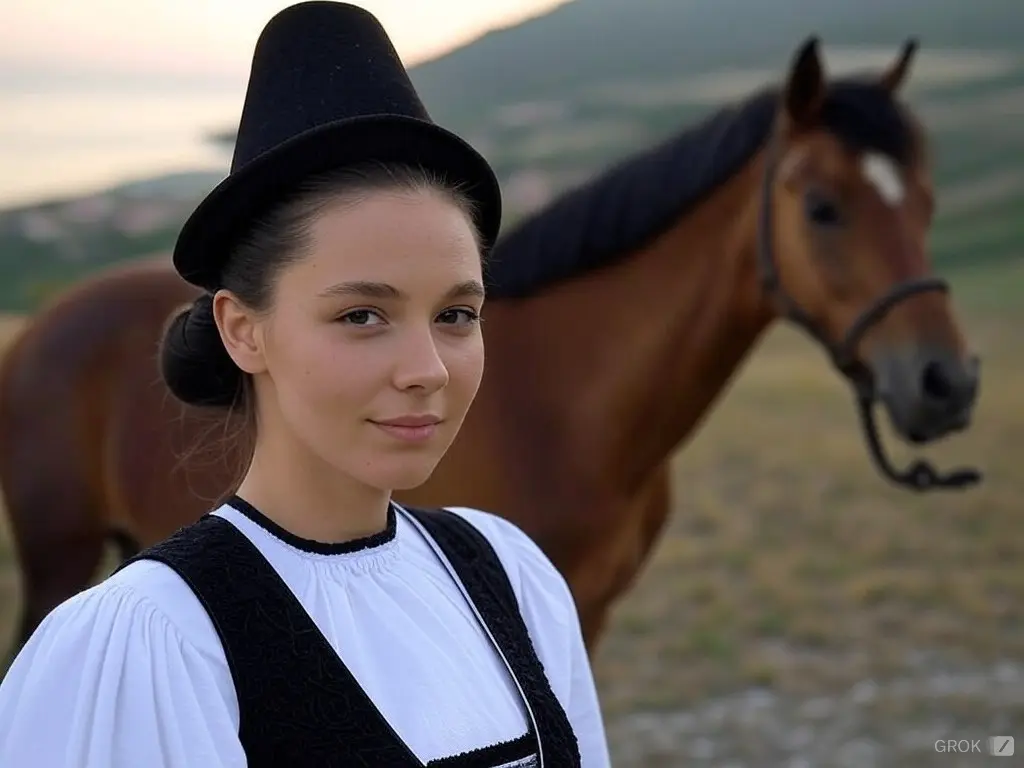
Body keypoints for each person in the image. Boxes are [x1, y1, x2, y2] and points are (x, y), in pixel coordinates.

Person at [0, 3, 611, 767]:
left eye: (456, 313)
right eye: (362, 315)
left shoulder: (512, 576)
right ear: (242, 329)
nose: (427, 368)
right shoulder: (154, 640)